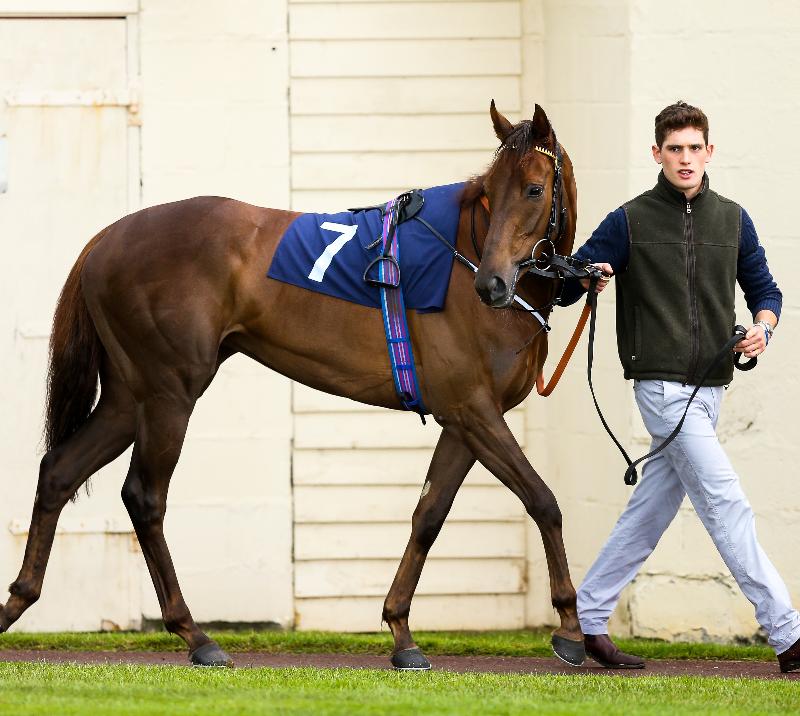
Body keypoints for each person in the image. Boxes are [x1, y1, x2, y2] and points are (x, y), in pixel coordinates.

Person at [561, 101, 800, 673]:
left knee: (651, 510)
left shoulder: (733, 219)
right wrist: (591, 275)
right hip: (662, 391)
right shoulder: (629, 220)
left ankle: (586, 622)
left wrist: (762, 331)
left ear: (709, 152)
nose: (685, 159)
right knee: (726, 503)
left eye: (695, 148)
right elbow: (568, 283)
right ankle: (789, 635)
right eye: (675, 149)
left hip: (712, 389)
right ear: (657, 155)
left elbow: (766, 291)